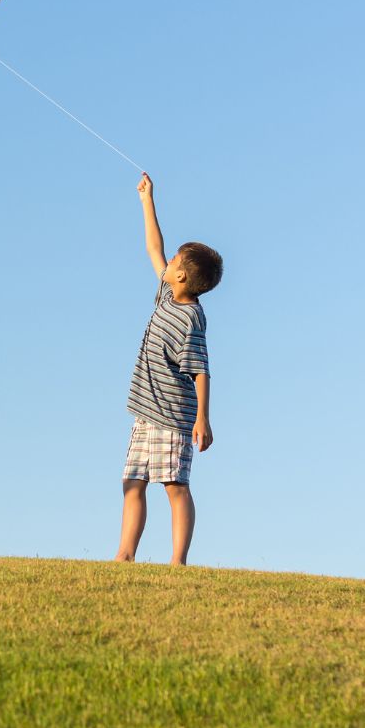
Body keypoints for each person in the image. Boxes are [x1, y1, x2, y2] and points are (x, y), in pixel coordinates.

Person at [115, 173, 222, 565]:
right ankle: (125, 555)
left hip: (174, 416)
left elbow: (201, 370)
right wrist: (147, 200)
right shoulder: (166, 292)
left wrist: (202, 419)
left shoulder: (191, 317)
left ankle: (178, 560)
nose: (169, 261)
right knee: (132, 482)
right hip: (146, 411)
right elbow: (153, 248)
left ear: (182, 276)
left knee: (175, 486)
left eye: (175, 260)